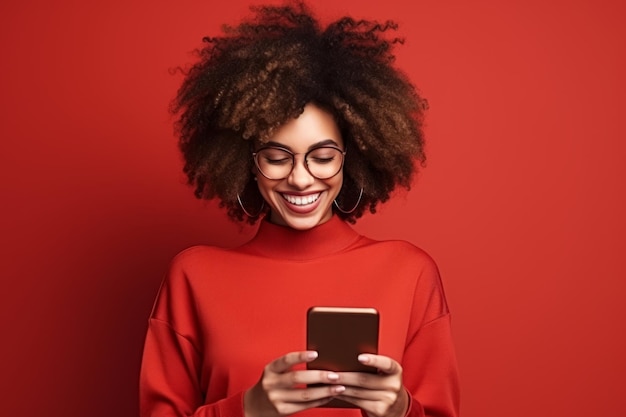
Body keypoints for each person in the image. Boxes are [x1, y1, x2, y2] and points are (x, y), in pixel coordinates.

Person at [139, 2, 460, 417]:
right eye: (277, 156)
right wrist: (249, 408)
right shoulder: (193, 277)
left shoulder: (410, 272)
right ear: (245, 160)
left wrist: (400, 409)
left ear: (354, 155)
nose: (301, 178)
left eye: (322, 156)